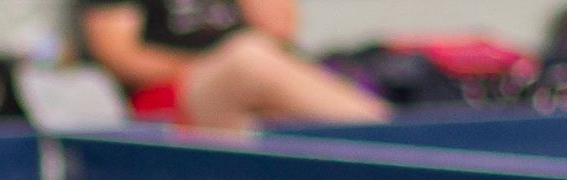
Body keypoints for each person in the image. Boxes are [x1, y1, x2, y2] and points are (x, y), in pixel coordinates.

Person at [79, 0, 389, 130]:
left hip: (254, 81)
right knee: (247, 58)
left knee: (257, 59)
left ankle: (380, 134)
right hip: (169, 96)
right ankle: (385, 133)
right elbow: (120, 57)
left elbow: (280, 30)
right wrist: (219, 67)